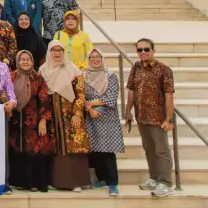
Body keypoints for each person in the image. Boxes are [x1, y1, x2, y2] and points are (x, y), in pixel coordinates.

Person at [124, 38, 176, 198]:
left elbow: (169, 95)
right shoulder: (136, 67)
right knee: (149, 149)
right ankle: (154, 178)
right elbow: (131, 91)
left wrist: (169, 119)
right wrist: (128, 111)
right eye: (140, 50)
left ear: (153, 50)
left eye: (146, 49)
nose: (143, 53)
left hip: (158, 118)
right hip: (141, 116)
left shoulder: (164, 70)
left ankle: (166, 182)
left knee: (161, 150)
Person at [39, 40, 90, 192]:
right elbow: (41, 97)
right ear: (49, 52)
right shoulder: (43, 71)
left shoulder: (72, 70)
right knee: (55, 147)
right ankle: (56, 181)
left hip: (71, 116)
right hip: (52, 117)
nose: (56, 53)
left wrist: (77, 114)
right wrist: (44, 118)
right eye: (53, 50)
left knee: (73, 147)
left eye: (59, 50)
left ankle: (75, 182)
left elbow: (80, 94)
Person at [8, 50, 54, 193]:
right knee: (17, 150)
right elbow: (5, 95)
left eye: (28, 59)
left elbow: (45, 101)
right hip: (15, 120)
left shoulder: (38, 78)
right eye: (22, 59)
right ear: (17, 61)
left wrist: (43, 121)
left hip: (33, 122)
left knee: (34, 152)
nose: (25, 62)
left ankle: (35, 182)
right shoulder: (11, 77)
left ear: (32, 62)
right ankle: (20, 182)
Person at [84, 48, 124, 196]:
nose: (95, 60)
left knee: (107, 151)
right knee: (96, 150)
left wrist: (90, 104)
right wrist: (89, 109)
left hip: (107, 118)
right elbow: (81, 96)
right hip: (91, 117)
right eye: (92, 57)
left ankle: (112, 182)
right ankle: (102, 179)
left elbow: (111, 98)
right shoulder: (84, 76)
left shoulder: (110, 76)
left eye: (98, 57)